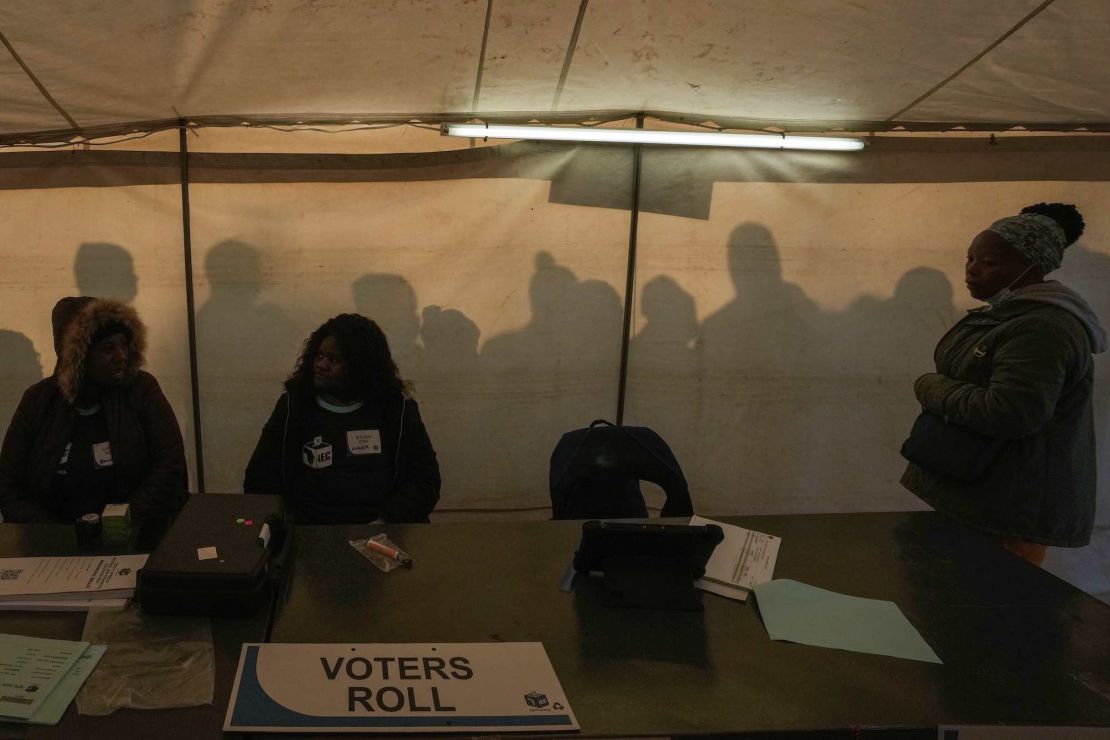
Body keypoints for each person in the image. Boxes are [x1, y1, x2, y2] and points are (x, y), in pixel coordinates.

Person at [901, 203, 1106, 564]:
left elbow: (1011, 413)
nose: (972, 270)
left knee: (993, 612)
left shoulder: (1041, 328)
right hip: (980, 493)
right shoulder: (1006, 315)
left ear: (1031, 267)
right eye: (970, 259)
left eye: (990, 263)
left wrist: (929, 387)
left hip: (1009, 508)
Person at [0, 297, 188, 524]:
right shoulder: (38, 401)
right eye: (108, 348)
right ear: (78, 358)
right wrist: (52, 534)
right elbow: (9, 485)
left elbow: (169, 464)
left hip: (135, 535)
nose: (121, 356)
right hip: (52, 545)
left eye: (123, 345)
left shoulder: (141, 390)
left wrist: (120, 522)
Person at [244, 313, 440, 523]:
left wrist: (385, 521)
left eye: (334, 359)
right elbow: (260, 479)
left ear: (361, 366)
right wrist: (291, 526)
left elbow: (425, 482)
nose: (321, 365)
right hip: (308, 532)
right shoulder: (295, 406)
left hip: (382, 531)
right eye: (319, 356)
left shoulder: (396, 410)